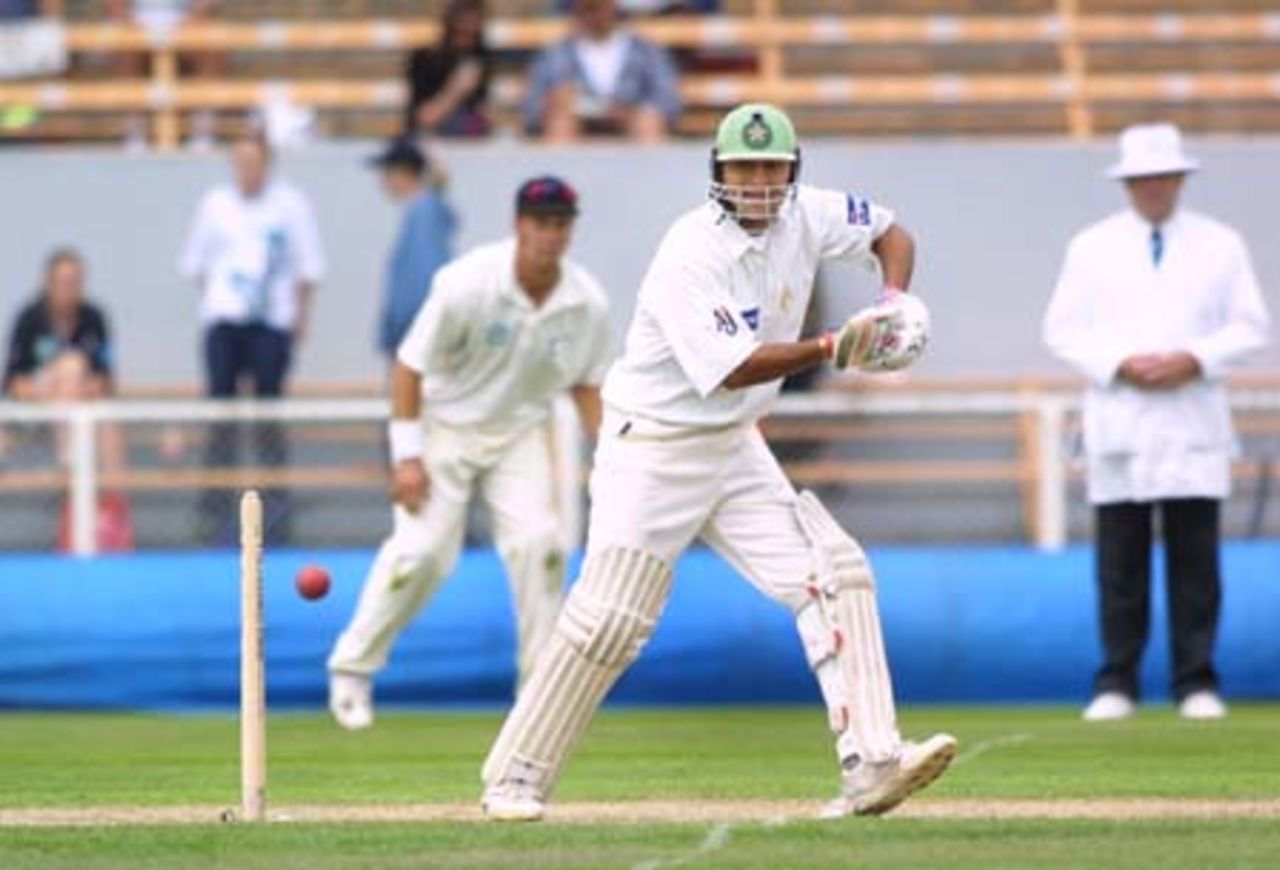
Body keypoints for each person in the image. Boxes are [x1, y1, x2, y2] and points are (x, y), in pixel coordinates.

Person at [480, 103, 953, 823]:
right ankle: (513, 779)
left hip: (733, 441)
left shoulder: (809, 213)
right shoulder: (689, 252)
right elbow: (733, 367)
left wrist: (894, 300)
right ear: (719, 175)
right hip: (655, 444)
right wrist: (836, 347)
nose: (759, 182)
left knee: (833, 572)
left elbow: (892, 232)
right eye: (744, 168)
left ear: (792, 172)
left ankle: (873, 764)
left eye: (771, 167)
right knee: (611, 620)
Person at [327, 176, 612, 731]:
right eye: (540, 223)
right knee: (424, 553)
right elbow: (409, 366)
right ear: (518, 225)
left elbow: (587, 384)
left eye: (560, 225)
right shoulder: (465, 284)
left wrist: (613, 458)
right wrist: (407, 458)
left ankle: (538, 700)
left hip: (520, 434)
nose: (550, 235)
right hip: (446, 429)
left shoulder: (585, 302)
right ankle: (352, 668)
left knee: (540, 545)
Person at [1044, 123, 1270, 723]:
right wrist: (1120, 364)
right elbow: (1062, 330)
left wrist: (1193, 358)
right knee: (1121, 561)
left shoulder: (1221, 244)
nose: (1153, 188)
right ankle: (1116, 680)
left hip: (1193, 417)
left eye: (1163, 176)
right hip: (1121, 417)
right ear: (1128, 183)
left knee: (1196, 561)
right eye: (1142, 178)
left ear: (1179, 178)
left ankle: (1196, 680)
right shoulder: (1090, 246)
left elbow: (1251, 326)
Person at [179, 124, 325, 545]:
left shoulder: (291, 205)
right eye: (240, 162)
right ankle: (213, 512)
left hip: (271, 325)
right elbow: (197, 265)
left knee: (268, 419)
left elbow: (308, 267)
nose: (248, 171)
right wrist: (221, 304)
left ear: (267, 164)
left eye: (254, 162)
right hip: (226, 323)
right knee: (219, 417)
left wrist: (299, 317)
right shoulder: (215, 206)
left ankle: (276, 511)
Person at [3, 248, 133, 551]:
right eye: (62, 281)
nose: (69, 288)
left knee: (104, 414)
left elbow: (105, 380)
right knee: (69, 368)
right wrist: (56, 388)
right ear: (48, 283)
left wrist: (75, 391)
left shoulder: (94, 318)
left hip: (80, 415)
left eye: (75, 281)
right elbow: (14, 383)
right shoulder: (29, 319)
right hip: (34, 416)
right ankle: (76, 490)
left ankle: (104, 510)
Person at [522, 0, 681, 143]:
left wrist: (631, 111)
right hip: (576, 126)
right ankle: (564, 174)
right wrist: (551, 102)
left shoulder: (644, 50)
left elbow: (669, 102)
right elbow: (530, 109)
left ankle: (649, 174)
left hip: (631, 125)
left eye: (599, 7)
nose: (594, 15)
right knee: (560, 123)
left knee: (648, 122)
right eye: (588, 8)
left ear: (613, 7)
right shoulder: (556, 53)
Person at [367, 137, 458, 363]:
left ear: (402, 172)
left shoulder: (423, 214)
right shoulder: (423, 211)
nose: (382, 181)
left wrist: (396, 334)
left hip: (416, 341)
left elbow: (420, 284)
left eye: (386, 172)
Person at [105, 0, 225, 149]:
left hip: (188, 19)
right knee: (124, 49)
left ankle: (202, 134)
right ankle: (134, 135)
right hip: (135, 19)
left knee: (212, 47)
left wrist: (194, 17)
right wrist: (127, 20)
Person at [405, 0, 492, 138]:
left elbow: (482, 112)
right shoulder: (426, 59)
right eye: (463, 29)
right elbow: (424, 119)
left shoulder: (480, 58)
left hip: (469, 139)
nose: (468, 36)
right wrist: (456, 90)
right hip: (434, 138)